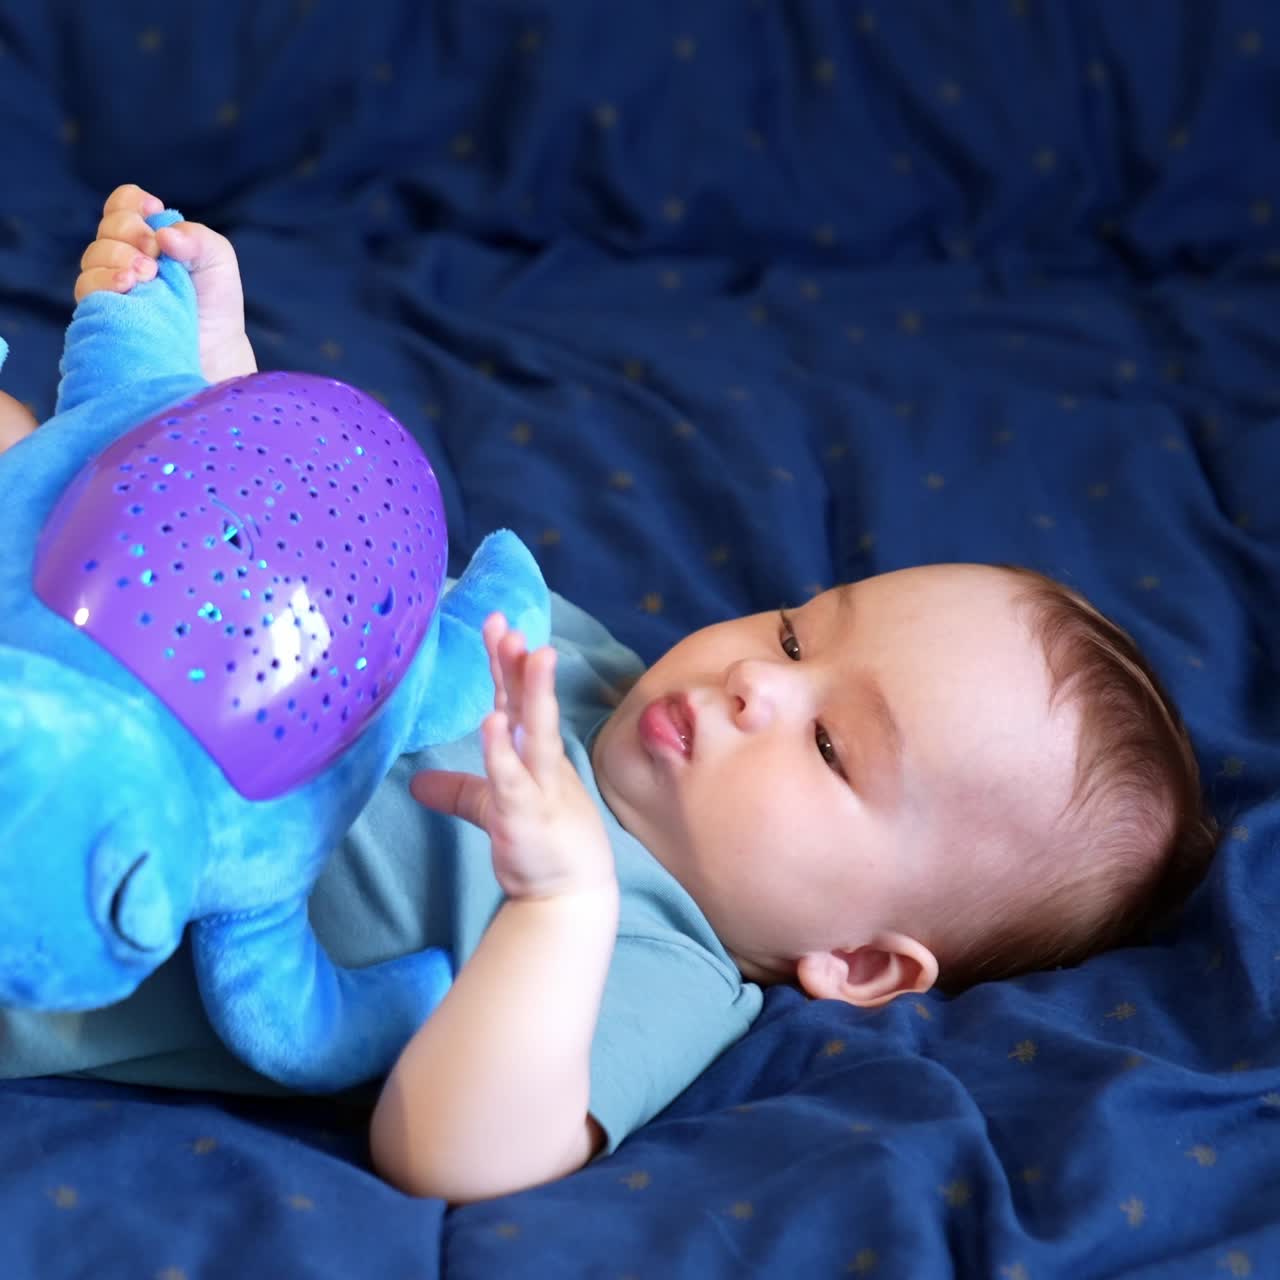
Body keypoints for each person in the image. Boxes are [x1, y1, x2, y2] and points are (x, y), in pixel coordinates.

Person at [4, 185, 1218, 1204]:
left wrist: (557, 904)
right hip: (77, 630)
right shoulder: (576, 661)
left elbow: (448, 1152)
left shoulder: (658, 963)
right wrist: (222, 381)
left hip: (70, 865)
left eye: (833, 748)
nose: (754, 683)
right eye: (796, 634)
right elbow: (292, 591)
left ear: (855, 962)